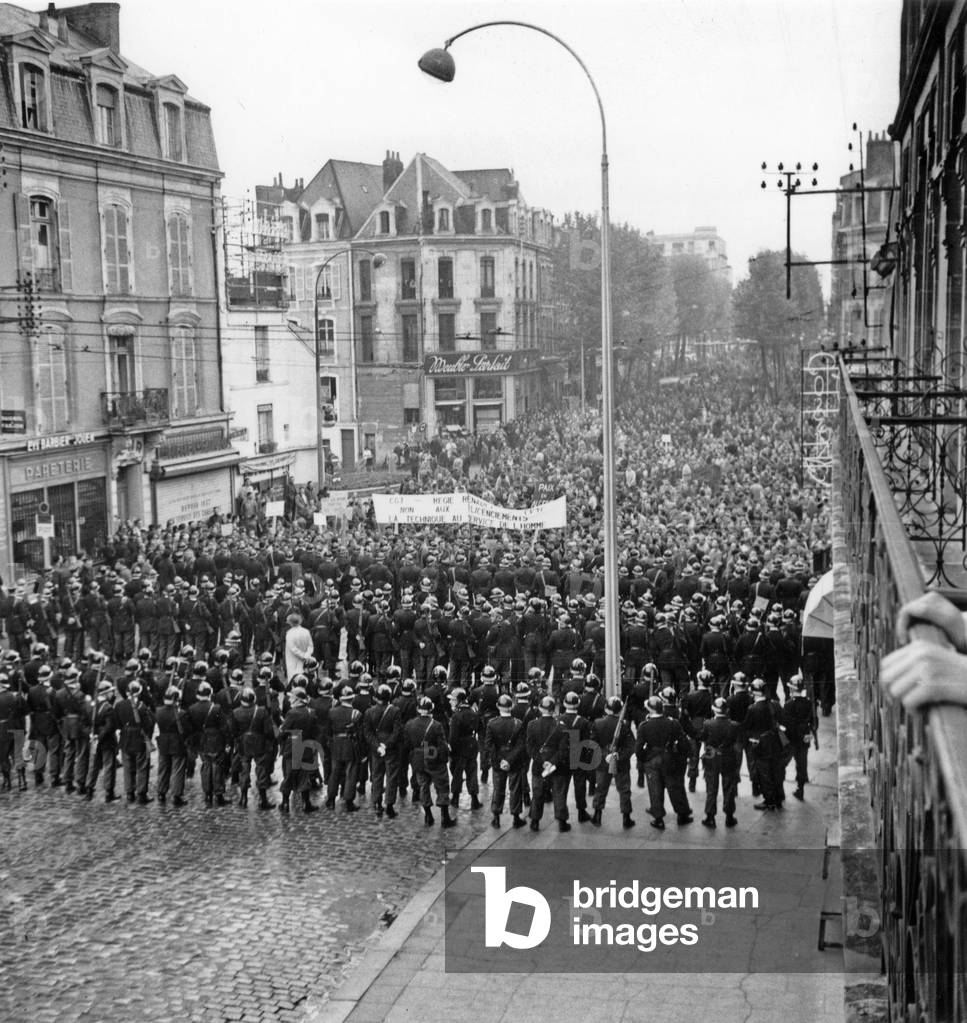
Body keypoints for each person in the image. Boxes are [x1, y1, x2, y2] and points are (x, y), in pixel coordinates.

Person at [635, 695, 692, 829]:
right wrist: (681, 757)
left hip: (652, 760)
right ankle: (682, 815)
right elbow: (684, 743)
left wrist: (644, 759)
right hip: (670, 758)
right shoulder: (673, 723)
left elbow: (638, 748)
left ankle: (658, 818)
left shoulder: (644, 726)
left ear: (649, 709)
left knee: (655, 789)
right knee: (675, 787)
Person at [403, 695, 455, 828]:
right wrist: (444, 760)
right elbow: (442, 746)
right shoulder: (436, 725)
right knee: (442, 786)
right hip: (434, 758)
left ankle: (428, 815)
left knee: (423, 786)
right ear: (431, 709)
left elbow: (406, 745)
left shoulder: (410, 724)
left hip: (418, 760)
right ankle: (445, 817)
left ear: (418, 709)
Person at [591, 695, 635, 828]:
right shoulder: (625, 725)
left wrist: (606, 755)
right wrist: (618, 756)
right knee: (624, 789)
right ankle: (626, 818)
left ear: (606, 708)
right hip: (621, 763)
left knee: (601, 788)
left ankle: (597, 815)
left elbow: (593, 744)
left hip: (603, 762)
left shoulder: (598, 723)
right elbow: (631, 746)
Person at [484, 693, 526, 829]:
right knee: (515, 789)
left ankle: (496, 817)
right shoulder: (518, 723)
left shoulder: (491, 723)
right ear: (512, 706)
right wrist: (508, 760)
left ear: (498, 706)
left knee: (498, 789)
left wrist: (500, 760)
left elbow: (489, 746)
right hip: (514, 762)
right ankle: (516, 817)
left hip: (497, 762)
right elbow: (520, 745)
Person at [699, 697, 740, 828]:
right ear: (727, 710)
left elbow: (703, 738)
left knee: (711, 787)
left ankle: (710, 816)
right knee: (728, 787)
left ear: (714, 709)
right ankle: (729, 816)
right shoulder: (734, 725)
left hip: (712, 757)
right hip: (728, 757)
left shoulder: (707, 724)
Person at [279, 684, 320, 815]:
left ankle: (285, 803)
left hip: (292, 748)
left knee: (289, 776)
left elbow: (283, 732)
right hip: (306, 747)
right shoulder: (311, 712)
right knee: (304, 776)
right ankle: (306, 803)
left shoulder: (291, 713)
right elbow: (315, 732)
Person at [363, 683, 402, 819]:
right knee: (391, 777)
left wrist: (378, 746)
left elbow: (367, 733)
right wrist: (386, 745)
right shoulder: (395, 711)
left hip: (376, 750)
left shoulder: (369, 712)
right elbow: (397, 732)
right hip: (391, 750)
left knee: (377, 776)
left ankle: (377, 803)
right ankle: (390, 805)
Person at [155, 687, 189, 807]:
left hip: (163, 742)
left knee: (163, 768)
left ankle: (161, 792)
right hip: (177, 742)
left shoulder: (158, 711)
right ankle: (176, 795)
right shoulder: (181, 713)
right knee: (178, 769)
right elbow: (186, 730)